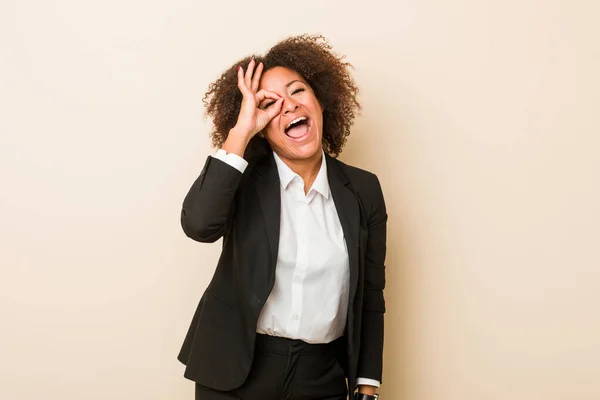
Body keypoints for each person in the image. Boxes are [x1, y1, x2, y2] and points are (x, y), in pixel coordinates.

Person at [178, 35, 387, 400]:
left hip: (321, 376)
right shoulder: (243, 180)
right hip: (236, 372)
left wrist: (367, 385)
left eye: (297, 91)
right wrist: (241, 131)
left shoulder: (364, 190)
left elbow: (370, 294)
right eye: (270, 103)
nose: (288, 106)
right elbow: (198, 225)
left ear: (321, 100)